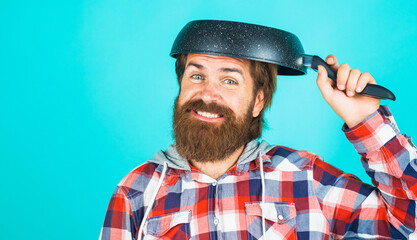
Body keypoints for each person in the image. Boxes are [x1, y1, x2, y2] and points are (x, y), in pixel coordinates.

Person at [99, 20, 417, 240]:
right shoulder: (136, 192)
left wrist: (366, 121)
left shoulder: (306, 178)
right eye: (196, 76)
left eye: (229, 80)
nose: (208, 95)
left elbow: (408, 226)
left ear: (258, 101)